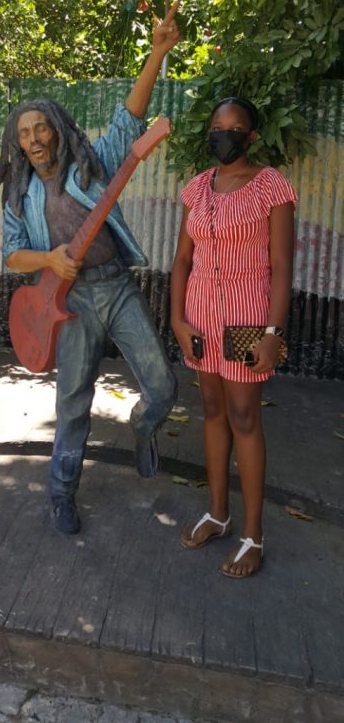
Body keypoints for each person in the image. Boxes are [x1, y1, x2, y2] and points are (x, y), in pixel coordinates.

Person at [0, 7, 181, 534]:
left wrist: (156, 53)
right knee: (73, 403)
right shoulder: (20, 193)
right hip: (68, 302)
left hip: (115, 286)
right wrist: (49, 259)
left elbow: (129, 122)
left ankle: (145, 429)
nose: (33, 138)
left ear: (56, 129)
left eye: (41, 127)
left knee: (163, 387)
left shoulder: (89, 166)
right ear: (18, 142)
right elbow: (11, 254)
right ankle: (60, 493)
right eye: (24, 132)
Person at [171, 97, 297, 578]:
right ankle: (217, 513)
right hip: (201, 318)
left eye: (234, 128)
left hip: (249, 319)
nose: (223, 135)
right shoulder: (197, 189)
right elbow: (183, 260)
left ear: (252, 136)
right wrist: (178, 321)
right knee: (213, 411)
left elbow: (283, 266)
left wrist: (273, 333)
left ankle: (253, 535)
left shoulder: (272, 188)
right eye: (216, 128)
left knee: (245, 416)